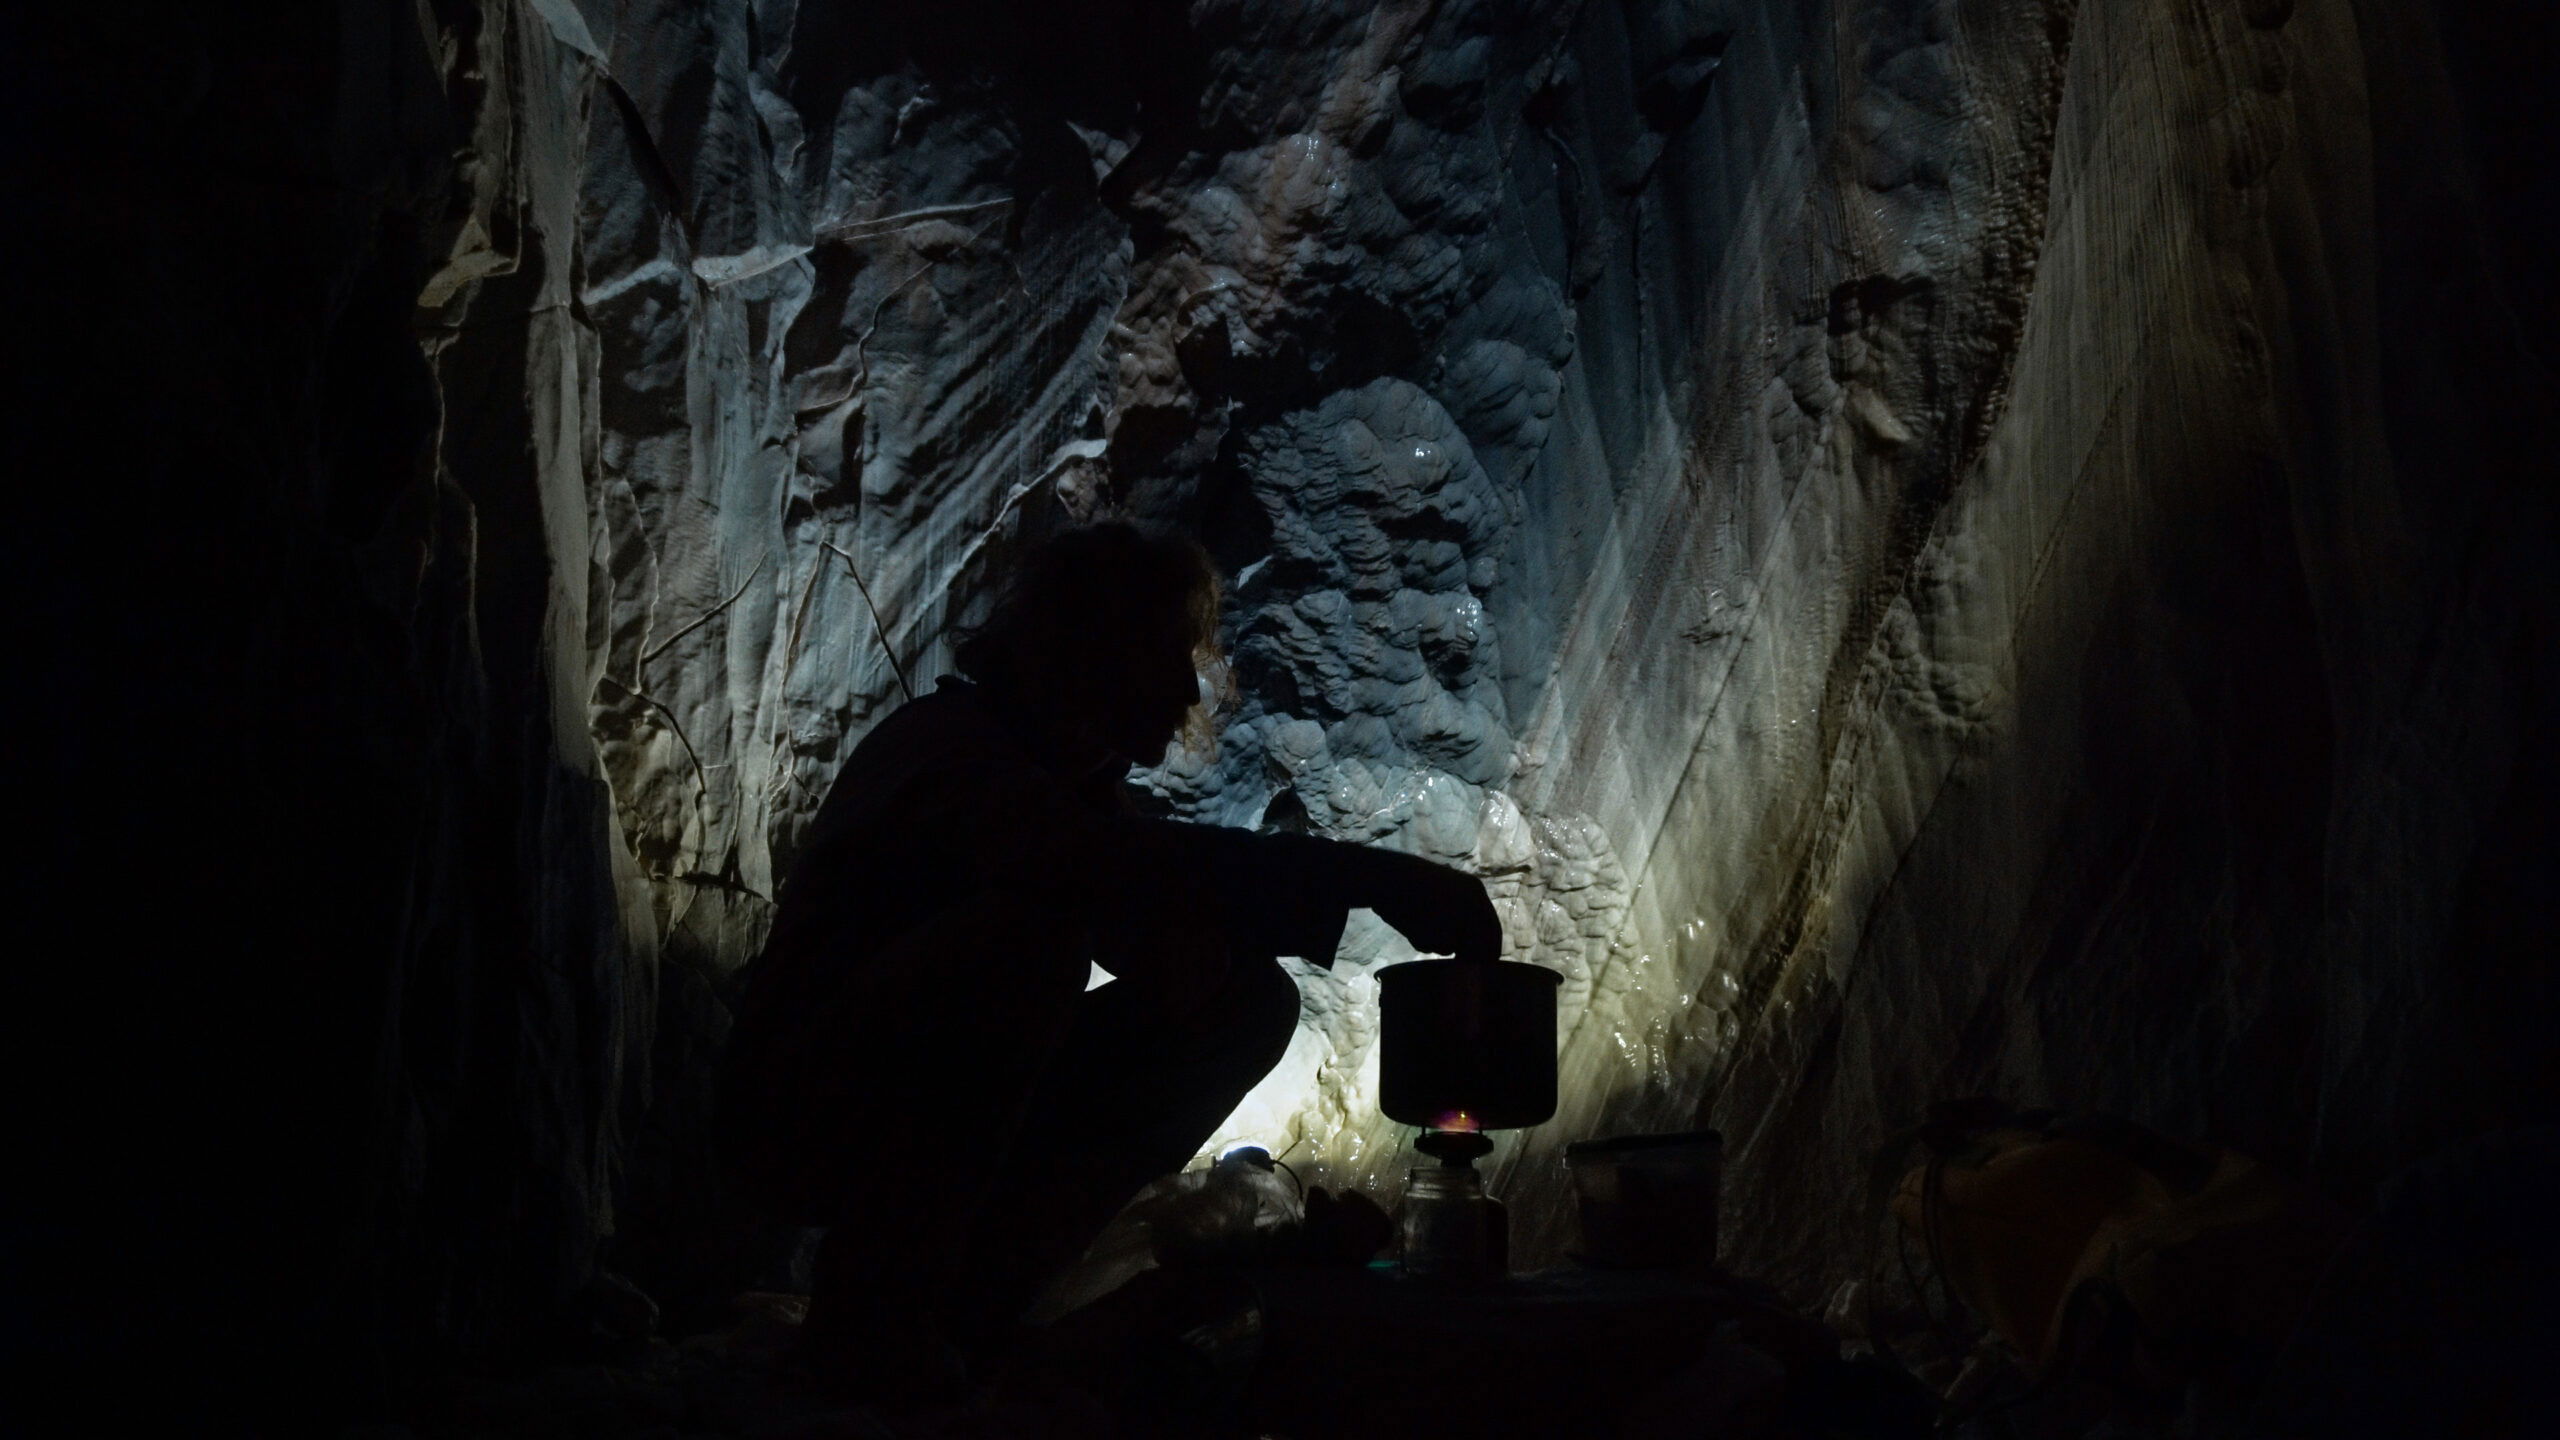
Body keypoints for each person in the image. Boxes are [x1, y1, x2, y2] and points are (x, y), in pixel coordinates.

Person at [717, 522, 1503, 1393]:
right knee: (1028, 945)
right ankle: (875, 1318)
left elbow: (1145, 894)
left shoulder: (1065, 780)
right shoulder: (950, 749)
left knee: (1243, 1001)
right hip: (799, 1114)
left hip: (888, 1102)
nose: (1184, 686)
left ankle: (971, 1311)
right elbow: (1088, 862)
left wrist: (1196, 941)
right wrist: (1368, 876)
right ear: (1089, 653)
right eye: (1162, 654)